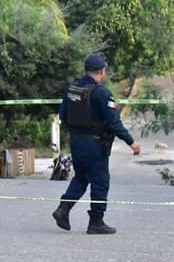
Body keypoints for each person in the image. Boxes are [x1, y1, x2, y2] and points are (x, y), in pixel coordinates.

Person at [52, 53, 141, 234]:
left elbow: (63, 115)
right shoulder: (102, 92)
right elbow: (114, 122)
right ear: (102, 71)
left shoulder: (72, 89)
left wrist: (77, 132)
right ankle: (96, 222)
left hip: (76, 142)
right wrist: (131, 143)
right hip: (95, 144)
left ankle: (63, 209)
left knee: (81, 177)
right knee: (100, 181)